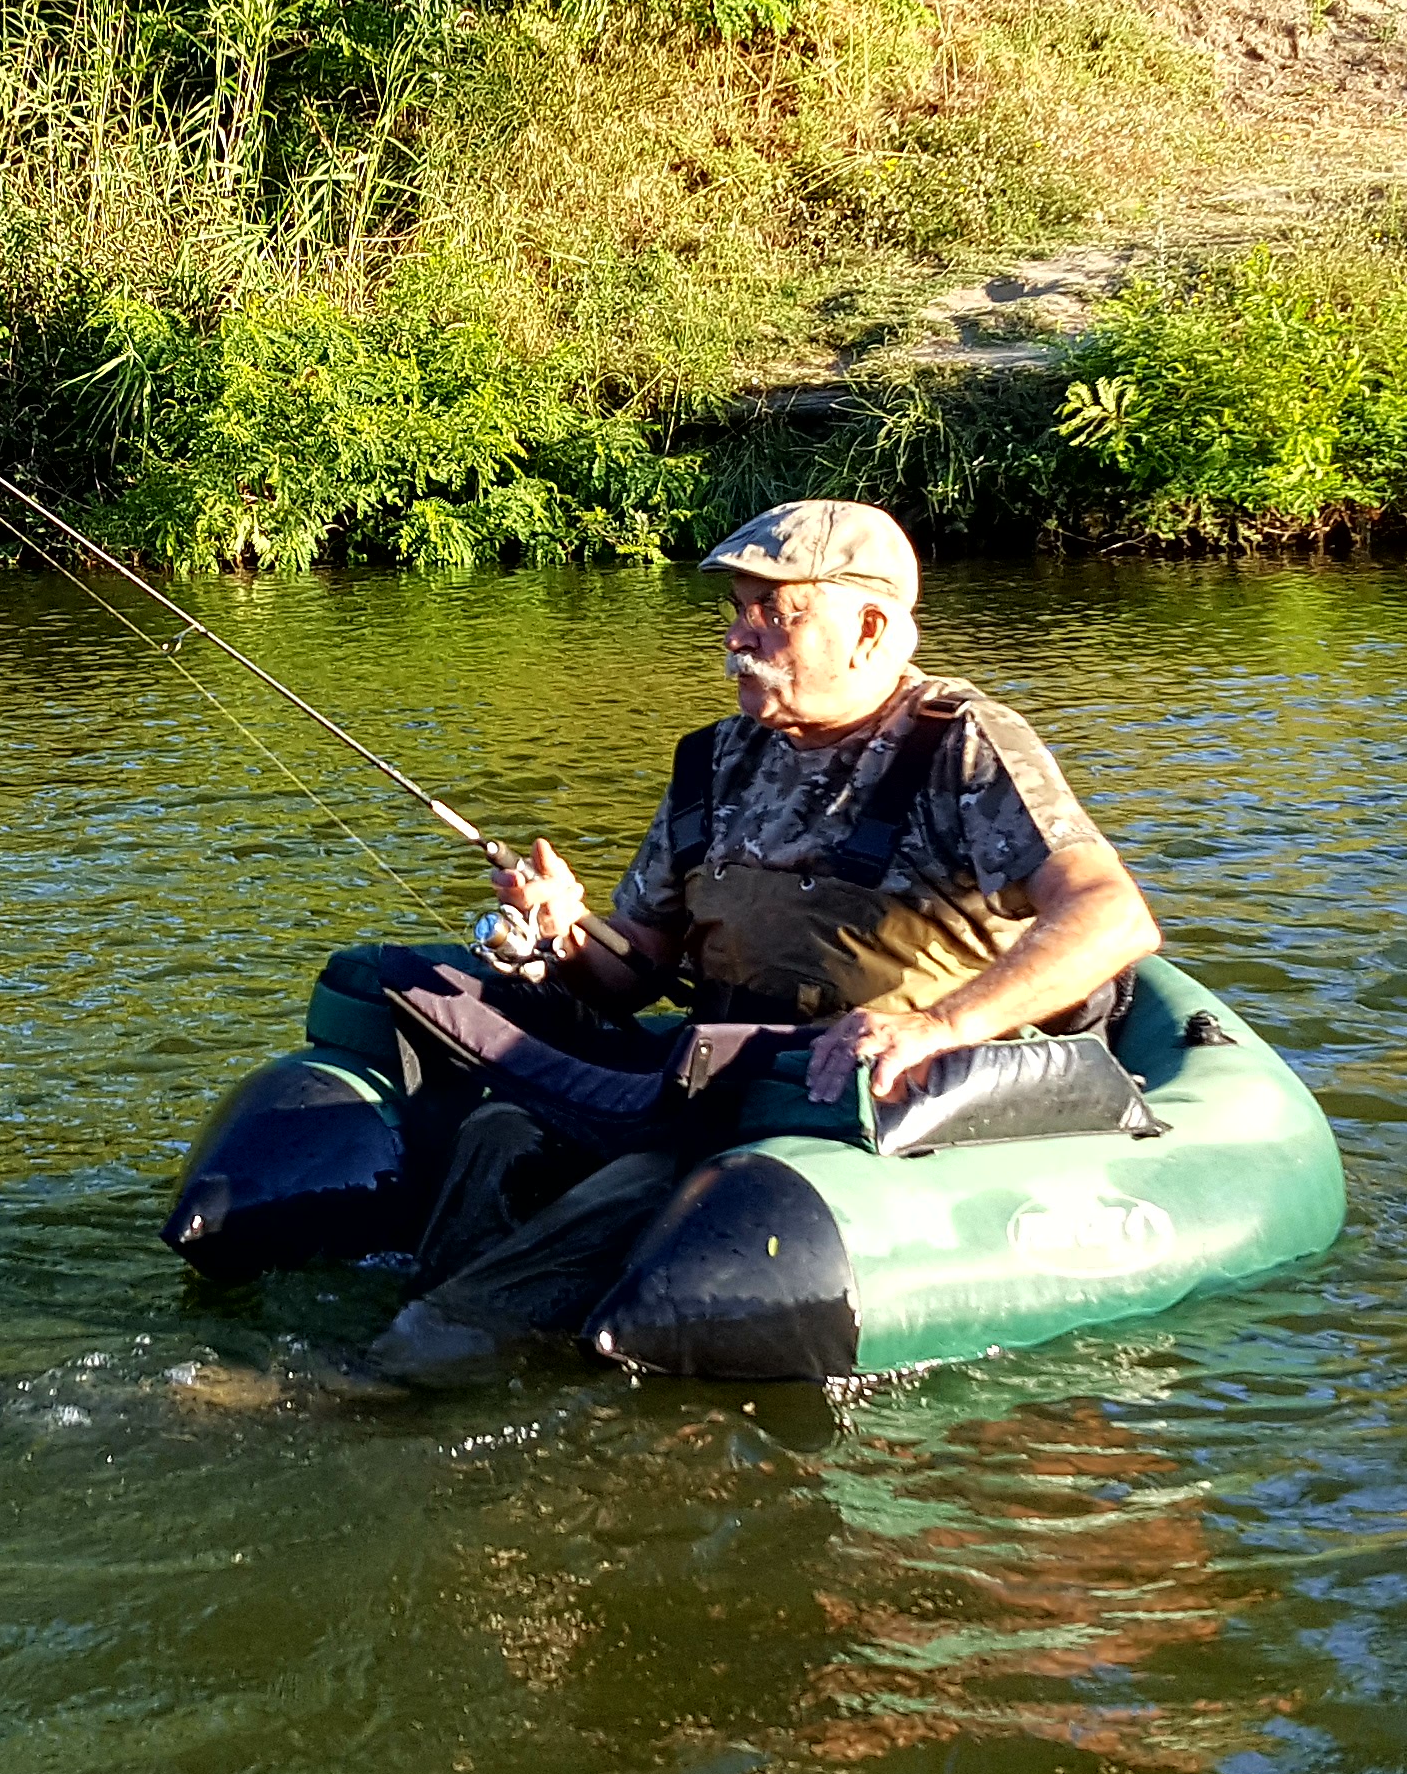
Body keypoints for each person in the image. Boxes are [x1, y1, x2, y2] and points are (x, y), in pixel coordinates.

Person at [366, 498, 1166, 1381]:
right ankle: (432, 1325)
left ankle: (402, 1370)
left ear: (869, 628)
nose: (739, 637)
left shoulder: (962, 745)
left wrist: (937, 1027)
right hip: (717, 1071)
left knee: (641, 1196)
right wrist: (563, 938)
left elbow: (1112, 916)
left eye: (773, 611)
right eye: (738, 608)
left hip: (860, 1102)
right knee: (501, 1130)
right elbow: (636, 966)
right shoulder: (713, 758)